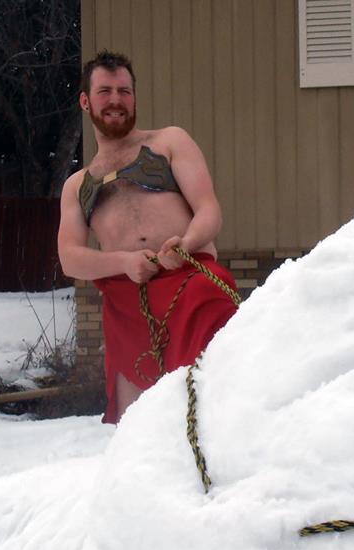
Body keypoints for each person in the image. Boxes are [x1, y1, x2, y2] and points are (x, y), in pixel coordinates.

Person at [58, 50, 238, 423]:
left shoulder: (169, 142)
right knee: (136, 420)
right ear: (85, 101)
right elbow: (70, 257)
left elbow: (209, 210)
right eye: (105, 91)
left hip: (190, 282)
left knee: (217, 390)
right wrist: (124, 262)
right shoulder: (77, 184)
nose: (116, 100)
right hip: (129, 302)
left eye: (124, 91)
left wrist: (186, 243)